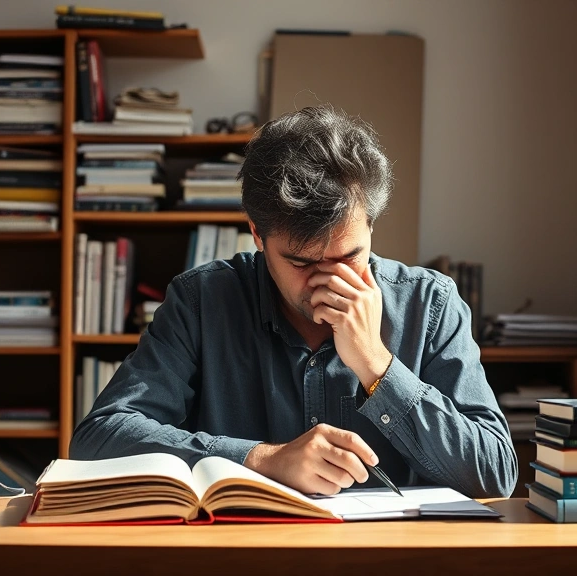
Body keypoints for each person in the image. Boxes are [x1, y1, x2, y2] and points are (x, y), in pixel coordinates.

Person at [70, 105, 517, 498]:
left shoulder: (429, 304)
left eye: (349, 256)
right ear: (257, 235)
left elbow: (494, 473)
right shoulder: (202, 301)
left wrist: (378, 367)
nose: (329, 280)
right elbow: (98, 438)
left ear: (371, 228)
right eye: (302, 262)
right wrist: (261, 460)